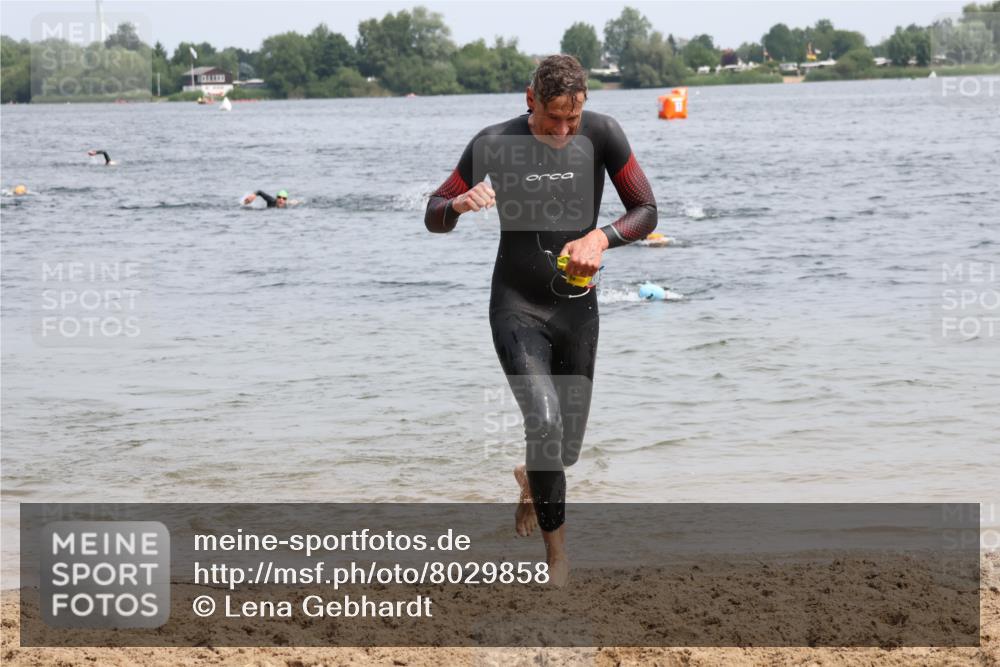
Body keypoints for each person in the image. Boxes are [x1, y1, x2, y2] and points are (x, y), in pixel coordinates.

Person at [424, 55, 657, 585]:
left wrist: (602, 237)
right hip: (516, 305)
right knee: (546, 424)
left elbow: (646, 211)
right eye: (553, 116)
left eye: (572, 118)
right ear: (530, 99)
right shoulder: (492, 142)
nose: (563, 129)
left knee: (565, 447)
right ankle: (558, 561)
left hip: (577, 307)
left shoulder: (603, 134)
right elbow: (433, 213)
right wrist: (459, 205)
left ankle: (533, 475)